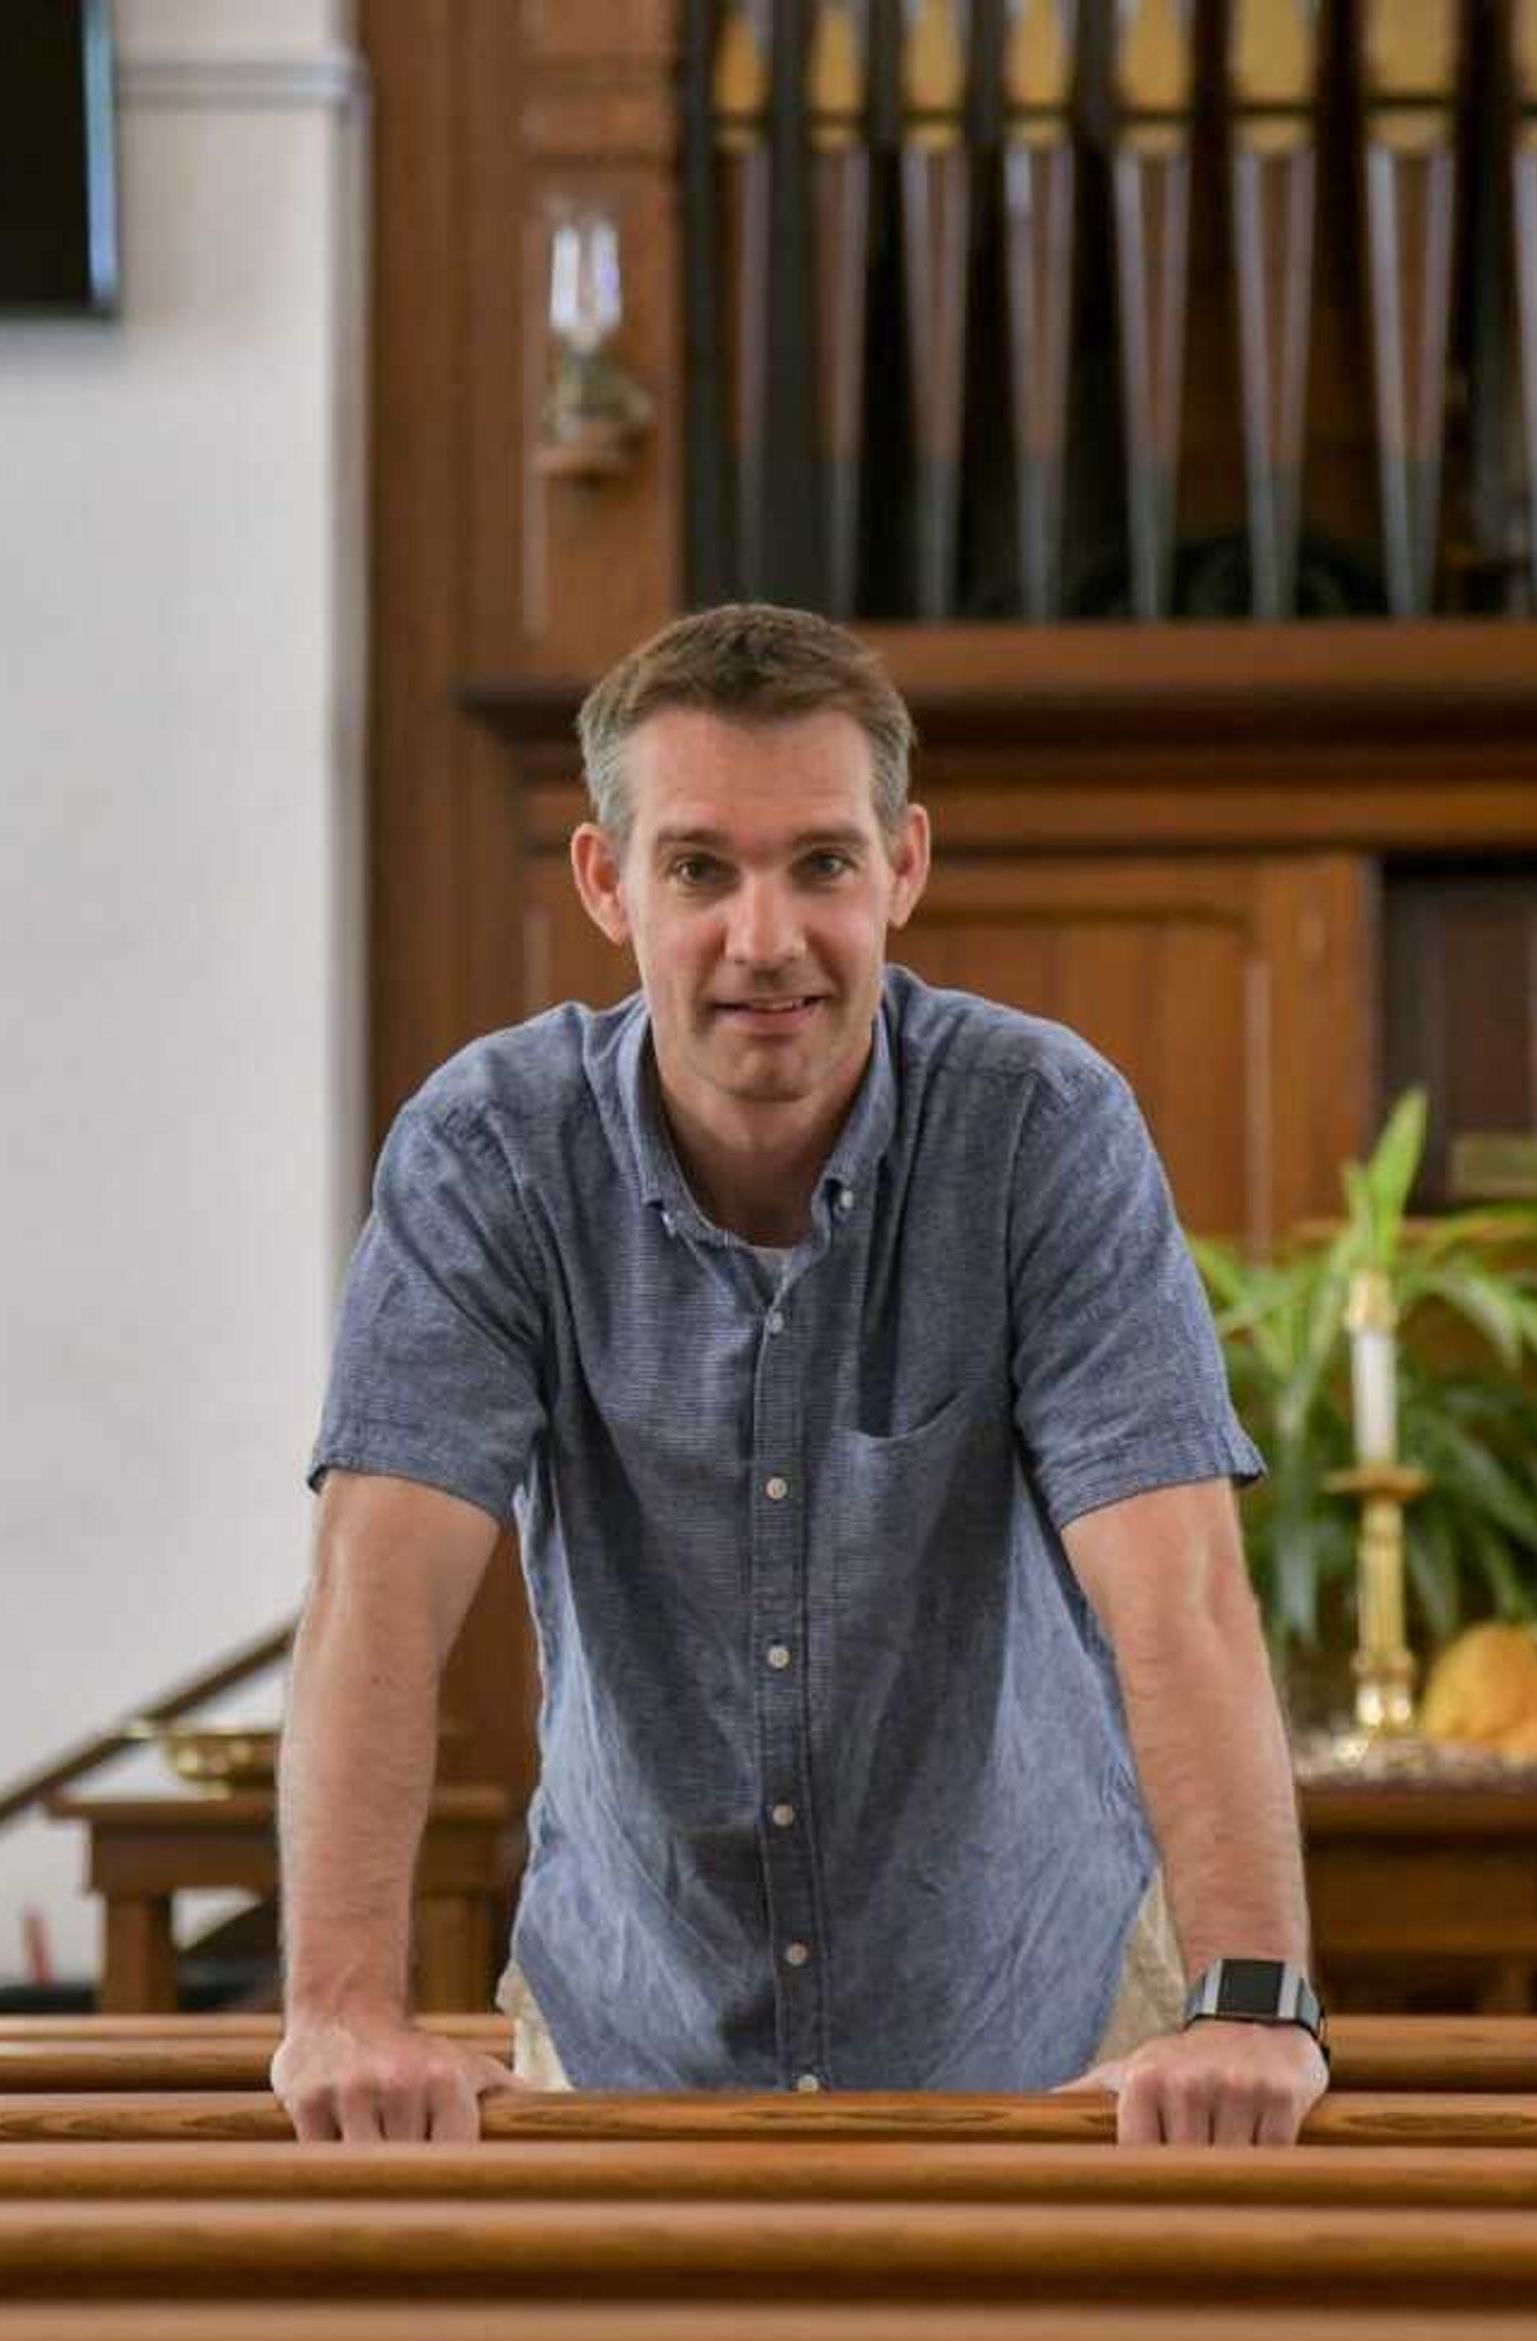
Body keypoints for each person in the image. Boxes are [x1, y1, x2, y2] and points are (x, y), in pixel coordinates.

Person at [271, 605, 1329, 2148]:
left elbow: (1180, 1593)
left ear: (902, 865)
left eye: (820, 863)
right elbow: (378, 1593)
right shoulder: (490, 1148)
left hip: (1046, 2029)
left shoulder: (1040, 1126)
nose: (763, 937)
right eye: (700, 867)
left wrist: (1249, 2002)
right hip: (626, 2031)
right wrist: (345, 2004)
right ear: (606, 881)